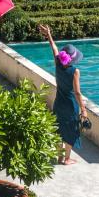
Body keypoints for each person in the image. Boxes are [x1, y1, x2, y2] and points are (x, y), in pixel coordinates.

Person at [38, 23, 88, 165]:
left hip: (59, 102)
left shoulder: (57, 64)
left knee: (59, 128)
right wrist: (83, 109)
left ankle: (59, 156)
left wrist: (49, 35)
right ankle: (67, 159)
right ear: (72, 59)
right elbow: (77, 93)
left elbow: (53, 48)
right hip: (71, 104)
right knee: (71, 130)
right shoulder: (74, 71)